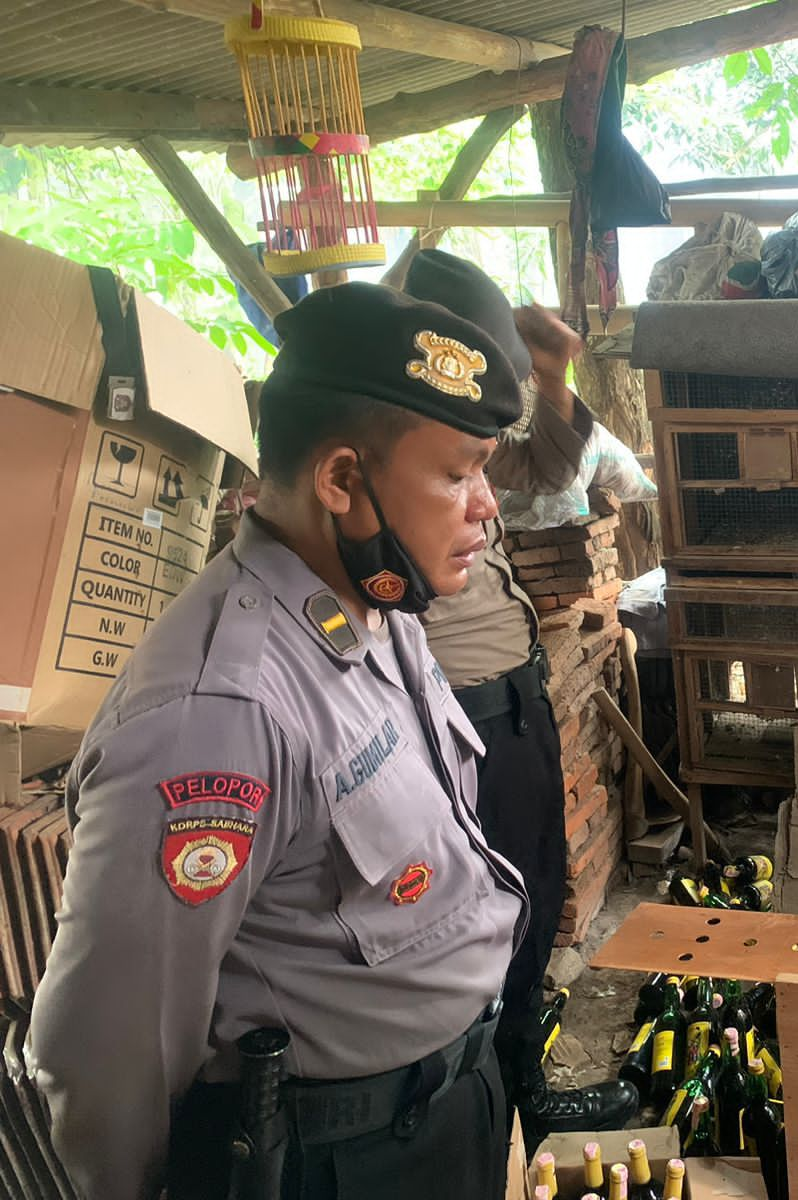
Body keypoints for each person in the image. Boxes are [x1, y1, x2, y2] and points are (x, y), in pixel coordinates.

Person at [28, 284, 532, 1200]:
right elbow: (107, 1054)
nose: (486, 507)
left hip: (446, 1110)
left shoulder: (375, 599)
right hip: (341, 1160)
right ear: (343, 481)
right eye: (458, 473)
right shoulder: (222, 709)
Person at [400, 249, 638, 1142]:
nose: (483, 502)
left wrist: (555, 369)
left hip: (515, 690)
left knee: (535, 887)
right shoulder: (396, 433)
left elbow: (543, 469)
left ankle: (521, 1089)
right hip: (458, 707)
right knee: (487, 910)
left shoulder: (456, 435)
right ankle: (499, 1111)